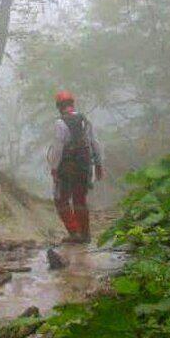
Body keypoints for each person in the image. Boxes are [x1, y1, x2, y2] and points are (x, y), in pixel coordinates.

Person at [47, 91, 104, 244]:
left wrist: (54, 168)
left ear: (59, 106)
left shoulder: (60, 123)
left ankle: (74, 232)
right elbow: (94, 142)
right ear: (72, 103)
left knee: (61, 199)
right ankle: (85, 235)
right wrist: (98, 163)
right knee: (80, 200)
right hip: (85, 166)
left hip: (66, 167)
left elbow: (58, 148)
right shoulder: (84, 120)